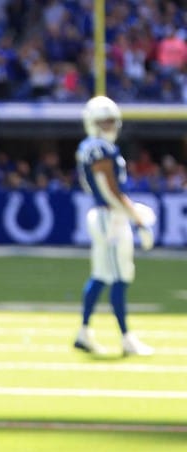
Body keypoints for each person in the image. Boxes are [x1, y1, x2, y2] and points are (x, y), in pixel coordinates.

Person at [73, 95, 156, 357]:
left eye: (111, 121)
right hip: (110, 217)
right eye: (104, 121)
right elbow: (109, 190)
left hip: (105, 215)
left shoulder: (91, 146)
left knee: (100, 276)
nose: (109, 126)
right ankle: (126, 338)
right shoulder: (99, 149)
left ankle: (84, 333)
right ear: (93, 122)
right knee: (119, 277)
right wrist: (136, 218)